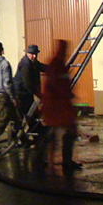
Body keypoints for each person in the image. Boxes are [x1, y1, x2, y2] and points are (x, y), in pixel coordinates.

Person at [41, 40, 81, 177]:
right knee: (57, 134)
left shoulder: (58, 64)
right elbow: (55, 85)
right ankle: (54, 162)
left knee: (64, 132)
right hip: (56, 106)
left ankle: (62, 161)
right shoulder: (56, 65)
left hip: (59, 106)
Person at [13, 44, 47, 140]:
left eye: (36, 54)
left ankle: (37, 135)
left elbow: (41, 66)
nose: (35, 56)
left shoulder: (32, 62)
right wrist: (39, 94)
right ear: (27, 53)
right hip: (20, 94)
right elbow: (28, 83)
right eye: (32, 54)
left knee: (32, 115)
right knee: (24, 117)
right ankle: (18, 139)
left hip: (26, 94)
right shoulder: (26, 64)